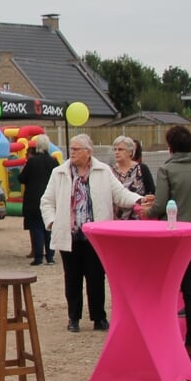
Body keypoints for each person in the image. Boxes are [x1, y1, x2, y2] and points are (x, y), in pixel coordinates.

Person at [39, 134, 144, 334]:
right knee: (72, 278)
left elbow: (120, 194)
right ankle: (74, 318)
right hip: (70, 234)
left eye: (77, 149)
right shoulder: (59, 172)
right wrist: (53, 222)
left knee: (96, 277)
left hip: (95, 236)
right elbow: (46, 200)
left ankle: (99, 317)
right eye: (72, 148)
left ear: (89, 152)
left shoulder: (103, 171)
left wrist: (139, 200)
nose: (73, 152)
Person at [144, 126, 191, 363]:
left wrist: (148, 210)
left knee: (168, 287)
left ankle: (164, 338)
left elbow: (159, 207)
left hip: (176, 237)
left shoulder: (167, 169)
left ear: (170, 147)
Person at [20, 136, 57, 266]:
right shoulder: (54, 162)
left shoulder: (32, 161)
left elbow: (22, 178)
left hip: (34, 199)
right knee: (49, 227)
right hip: (51, 198)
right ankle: (50, 257)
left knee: (36, 228)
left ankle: (38, 257)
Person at [109, 135, 154, 218]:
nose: (116, 152)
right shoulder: (109, 170)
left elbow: (151, 192)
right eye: (115, 149)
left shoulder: (142, 169)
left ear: (130, 152)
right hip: (115, 220)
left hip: (137, 219)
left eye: (120, 149)